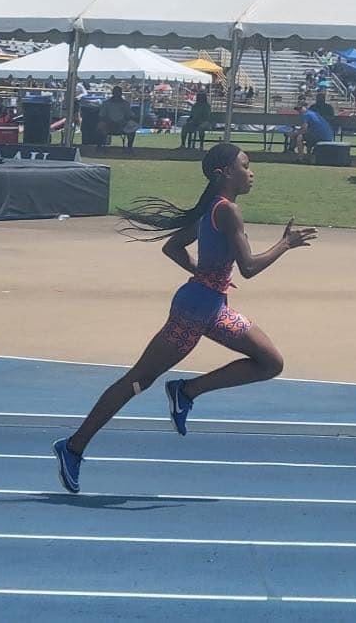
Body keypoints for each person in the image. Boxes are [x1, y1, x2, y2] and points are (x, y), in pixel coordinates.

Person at [52, 143, 317, 492]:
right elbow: (249, 268)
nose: (251, 173)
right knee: (139, 379)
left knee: (270, 362)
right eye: (246, 166)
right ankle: (72, 447)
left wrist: (205, 276)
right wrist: (286, 244)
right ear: (225, 173)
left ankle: (187, 390)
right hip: (194, 312)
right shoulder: (227, 212)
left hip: (210, 307)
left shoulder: (214, 209)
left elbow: (172, 247)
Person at [98, 85, 137, 151]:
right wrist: (108, 121)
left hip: (122, 125)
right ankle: (99, 146)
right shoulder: (106, 103)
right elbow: (101, 116)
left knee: (132, 127)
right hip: (109, 125)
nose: (117, 94)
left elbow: (130, 115)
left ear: (121, 93)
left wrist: (125, 121)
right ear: (113, 93)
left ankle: (129, 147)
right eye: (115, 92)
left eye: (118, 92)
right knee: (100, 125)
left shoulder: (125, 104)